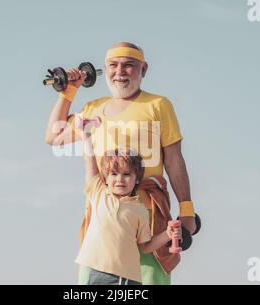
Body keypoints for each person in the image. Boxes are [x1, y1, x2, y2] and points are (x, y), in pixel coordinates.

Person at [45, 42, 197, 284]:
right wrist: (68, 91)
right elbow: (53, 136)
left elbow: (174, 159)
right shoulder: (93, 109)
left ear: (143, 70)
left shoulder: (158, 105)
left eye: (129, 66)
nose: (120, 72)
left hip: (148, 215)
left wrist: (187, 210)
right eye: (113, 65)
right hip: (104, 219)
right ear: (105, 69)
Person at [75, 120, 181, 285]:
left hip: (123, 276)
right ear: (106, 178)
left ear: (136, 178)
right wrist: (86, 134)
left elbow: (145, 246)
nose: (119, 179)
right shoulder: (98, 192)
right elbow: (90, 160)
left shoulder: (139, 210)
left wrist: (167, 234)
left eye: (126, 174)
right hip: (94, 271)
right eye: (114, 174)